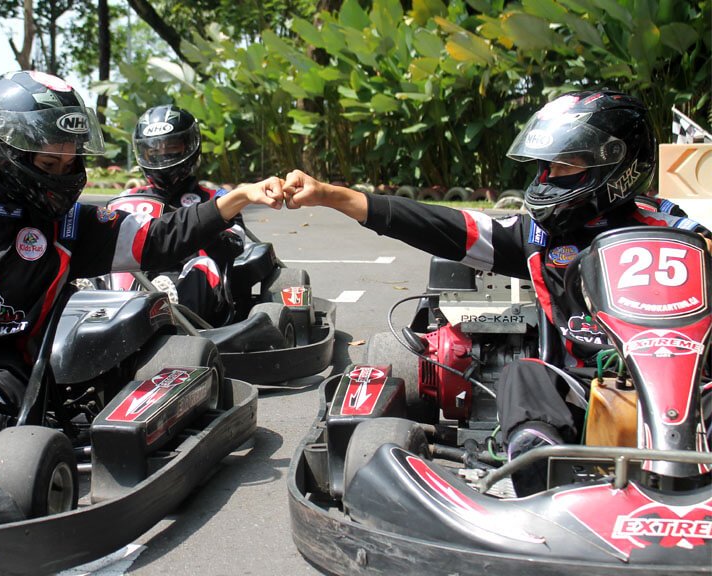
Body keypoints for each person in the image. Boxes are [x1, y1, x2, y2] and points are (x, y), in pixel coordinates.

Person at [0, 71, 283, 485]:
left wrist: (237, 197)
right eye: (49, 162)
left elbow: (161, 237)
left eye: (69, 160)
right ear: (3, 152)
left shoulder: (73, 227)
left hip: (4, 387)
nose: (64, 173)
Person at [281, 90, 708, 495]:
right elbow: (443, 227)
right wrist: (331, 196)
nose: (547, 178)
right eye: (545, 166)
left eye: (563, 166)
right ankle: (535, 459)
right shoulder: (537, 237)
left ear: (615, 164)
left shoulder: (677, 231)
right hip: (579, 389)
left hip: (686, 391)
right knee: (525, 374)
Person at [123, 105, 244, 326]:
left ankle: (172, 315)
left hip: (192, 284)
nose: (162, 154)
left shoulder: (216, 198)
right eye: (154, 150)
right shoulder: (130, 198)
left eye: (171, 147)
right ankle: (94, 300)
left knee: (202, 263)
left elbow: (235, 243)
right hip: (137, 280)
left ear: (189, 146)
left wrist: (203, 224)